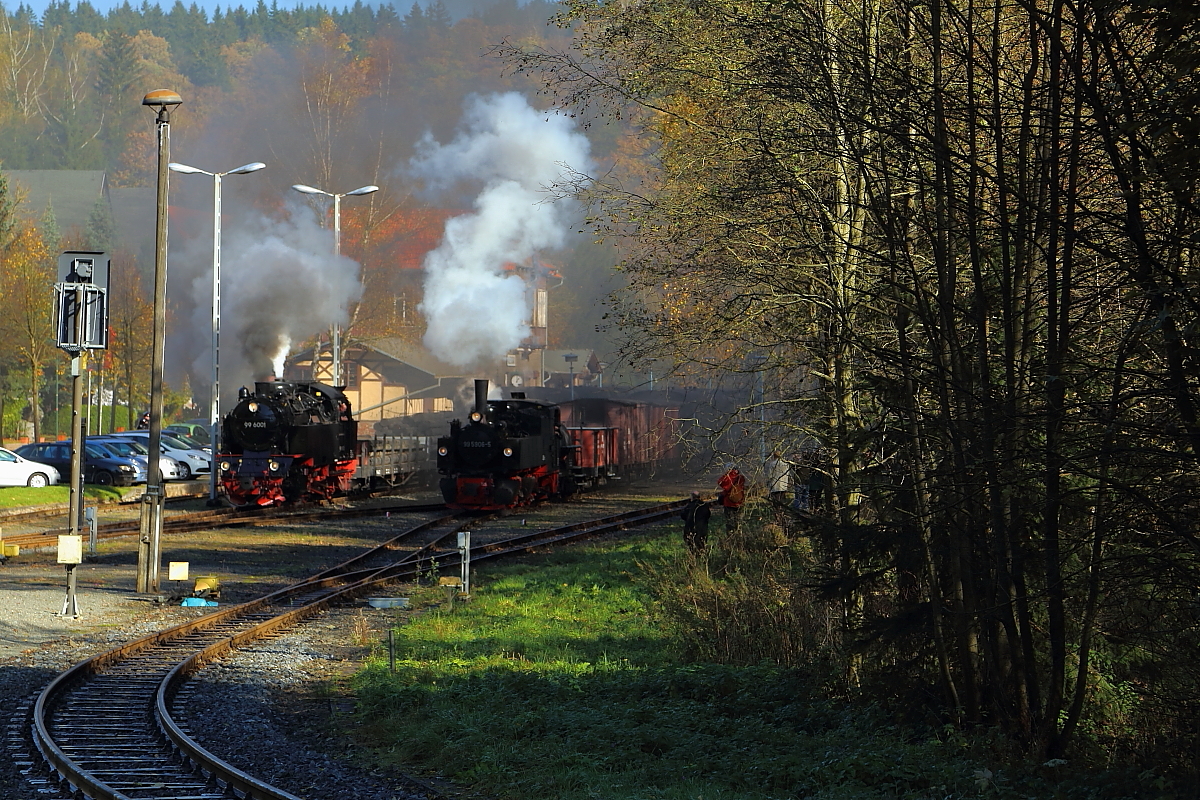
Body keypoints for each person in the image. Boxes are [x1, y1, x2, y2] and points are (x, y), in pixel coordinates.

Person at [764, 451, 793, 530]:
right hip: (783, 486)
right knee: (782, 502)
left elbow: (769, 476)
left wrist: (767, 483)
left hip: (775, 486)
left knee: (775, 504)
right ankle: (783, 516)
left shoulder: (772, 464)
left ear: (774, 456)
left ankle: (778, 518)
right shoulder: (785, 464)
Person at [717, 463, 746, 534]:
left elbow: (720, 482)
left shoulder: (727, 478)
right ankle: (739, 535)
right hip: (740, 502)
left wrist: (726, 474)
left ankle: (731, 536)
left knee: (729, 522)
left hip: (728, 503)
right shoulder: (741, 477)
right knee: (738, 521)